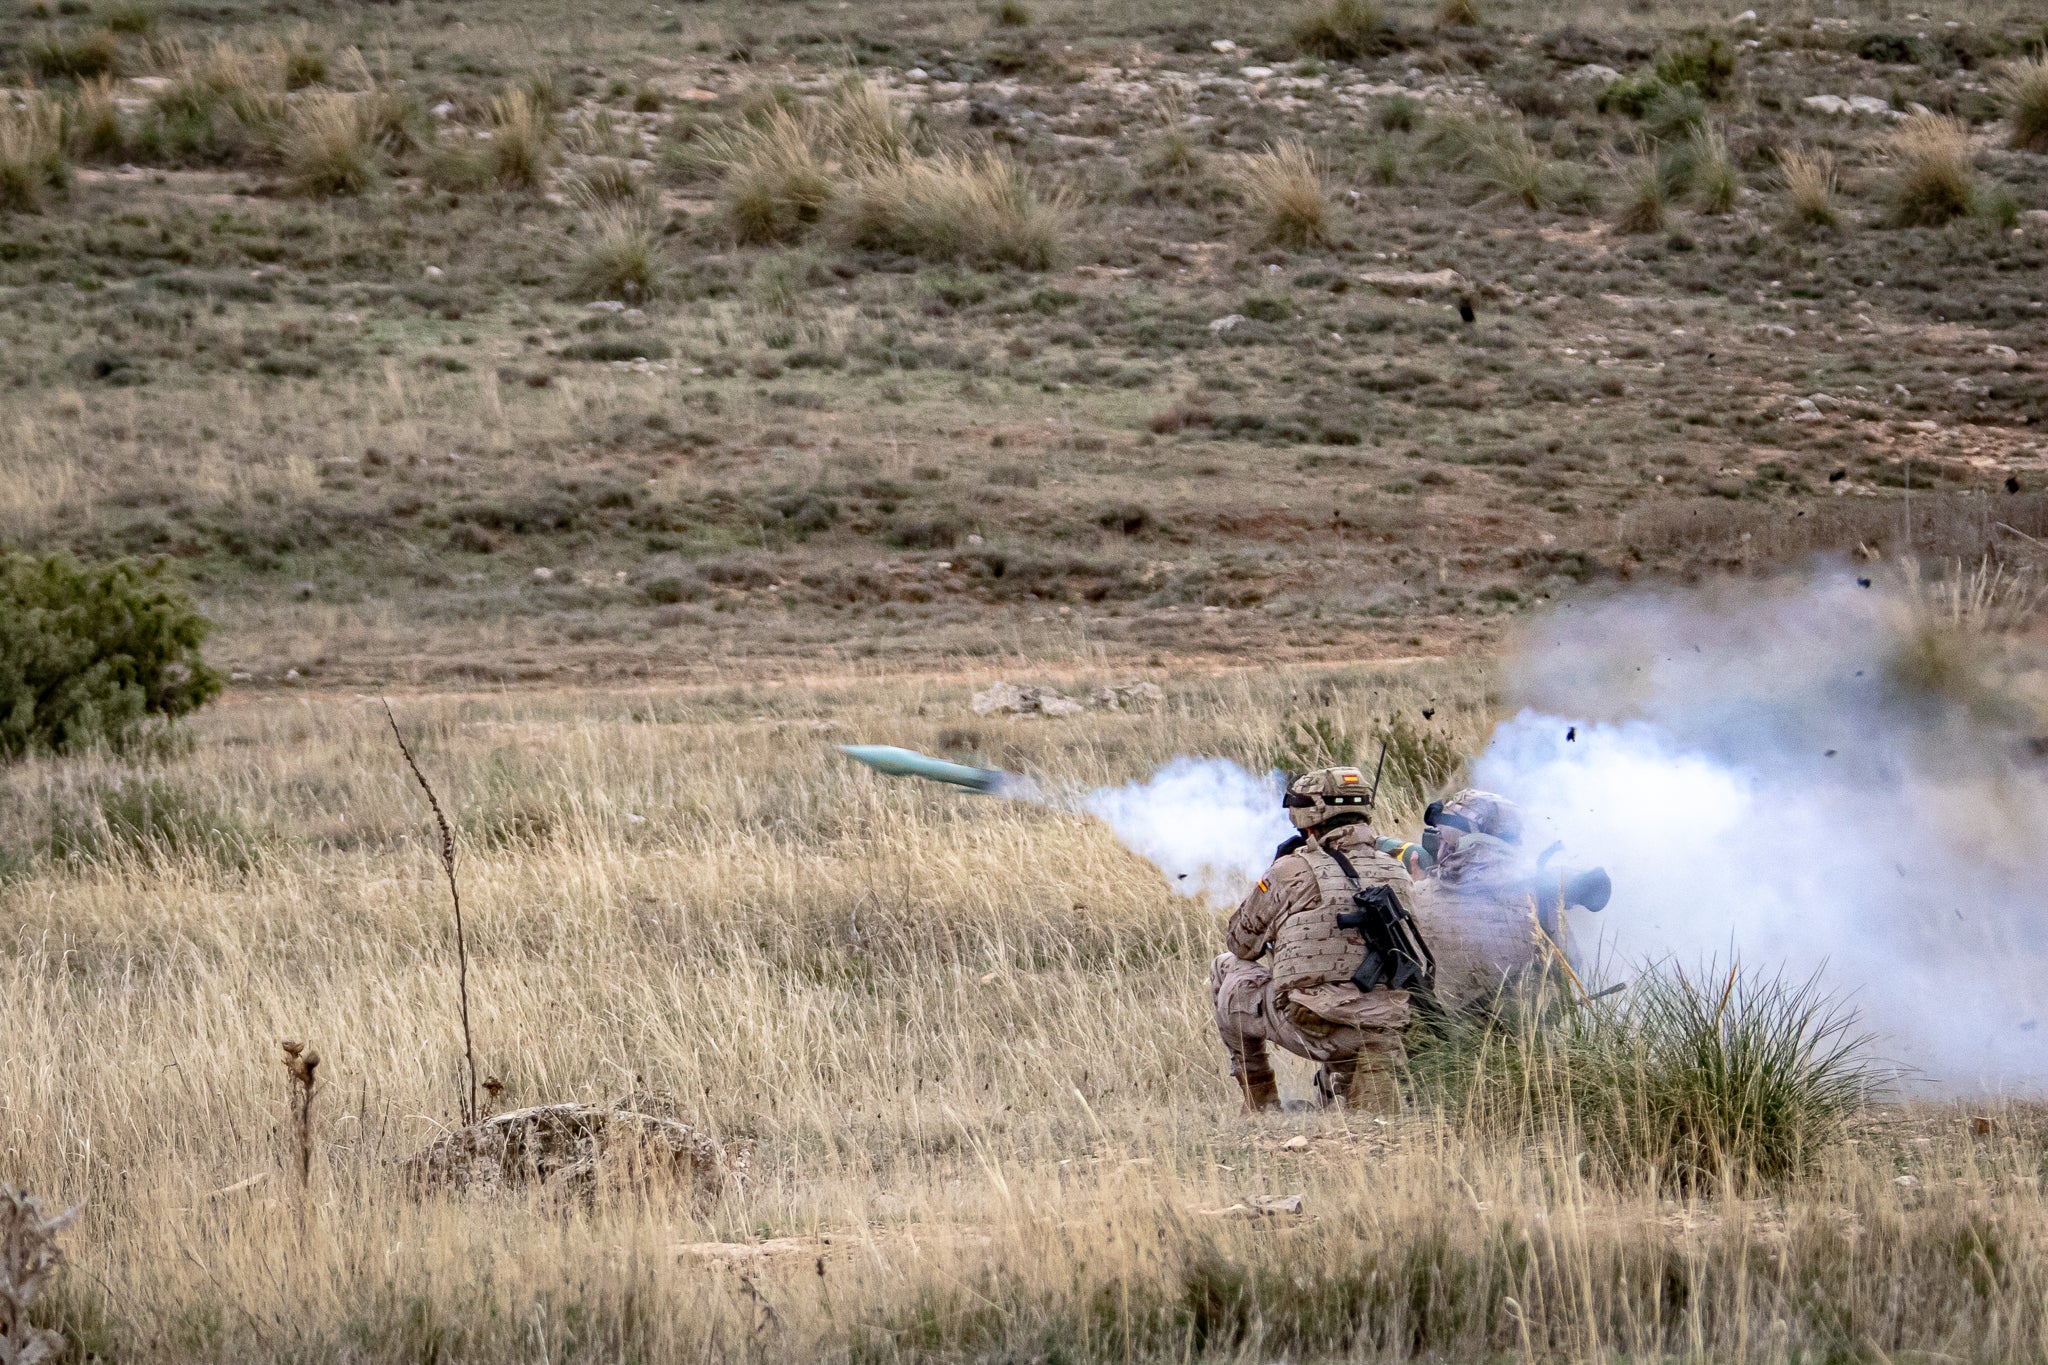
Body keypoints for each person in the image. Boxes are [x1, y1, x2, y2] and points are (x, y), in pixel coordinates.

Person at [1208, 767, 1422, 1114]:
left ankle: (1260, 1105)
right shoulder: (1395, 871)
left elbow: (1241, 944)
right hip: (1384, 1028)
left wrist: (1277, 872)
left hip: (1313, 1028)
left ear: (1307, 816)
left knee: (1225, 968)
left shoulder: (1291, 869)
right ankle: (1354, 1091)